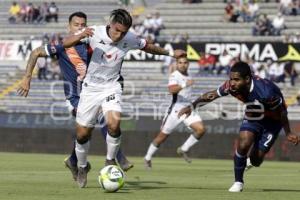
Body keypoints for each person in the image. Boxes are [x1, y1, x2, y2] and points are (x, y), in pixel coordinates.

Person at [63, 8, 186, 188]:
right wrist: (80, 36)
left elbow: (148, 47)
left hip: (111, 86)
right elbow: (66, 43)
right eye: (117, 30)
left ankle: (110, 161)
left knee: (114, 123)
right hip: (90, 89)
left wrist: (170, 54)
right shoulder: (93, 32)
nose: (119, 35)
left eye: (124, 32)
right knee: (82, 135)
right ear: (111, 25)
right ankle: (82, 167)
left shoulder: (130, 38)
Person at [17, 11, 133, 184]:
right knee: (94, 125)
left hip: (95, 92)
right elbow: (35, 53)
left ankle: (75, 161)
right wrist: (27, 78)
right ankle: (117, 157)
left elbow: (110, 61)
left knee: (96, 126)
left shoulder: (93, 43)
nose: (80, 27)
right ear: (69, 27)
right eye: (76, 25)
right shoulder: (64, 45)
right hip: (74, 96)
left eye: (83, 25)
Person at [178, 61, 299, 192]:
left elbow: (281, 112)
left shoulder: (266, 92)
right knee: (243, 142)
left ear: (247, 79)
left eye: (236, 79)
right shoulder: (231, 87)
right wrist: (192, 106)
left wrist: (288, 132)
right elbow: (211, 95)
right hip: (254, 113)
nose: (232, 83)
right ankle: (238, 182)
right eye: (231, 79)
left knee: (256, 160)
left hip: (273, 121)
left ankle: (249, 162)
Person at [144, 56, 205, 169]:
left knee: (201, 130)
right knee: (161, 137)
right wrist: (185, 84)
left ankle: (183, 149)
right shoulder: (175, 75)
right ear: (177, 64)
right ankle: (147, 157)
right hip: (175, 111)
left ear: (188, 64)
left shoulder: (189, 76)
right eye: (180, 63)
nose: (183, 65)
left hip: (188, 109)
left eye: (185, 62)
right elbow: (171, 90)